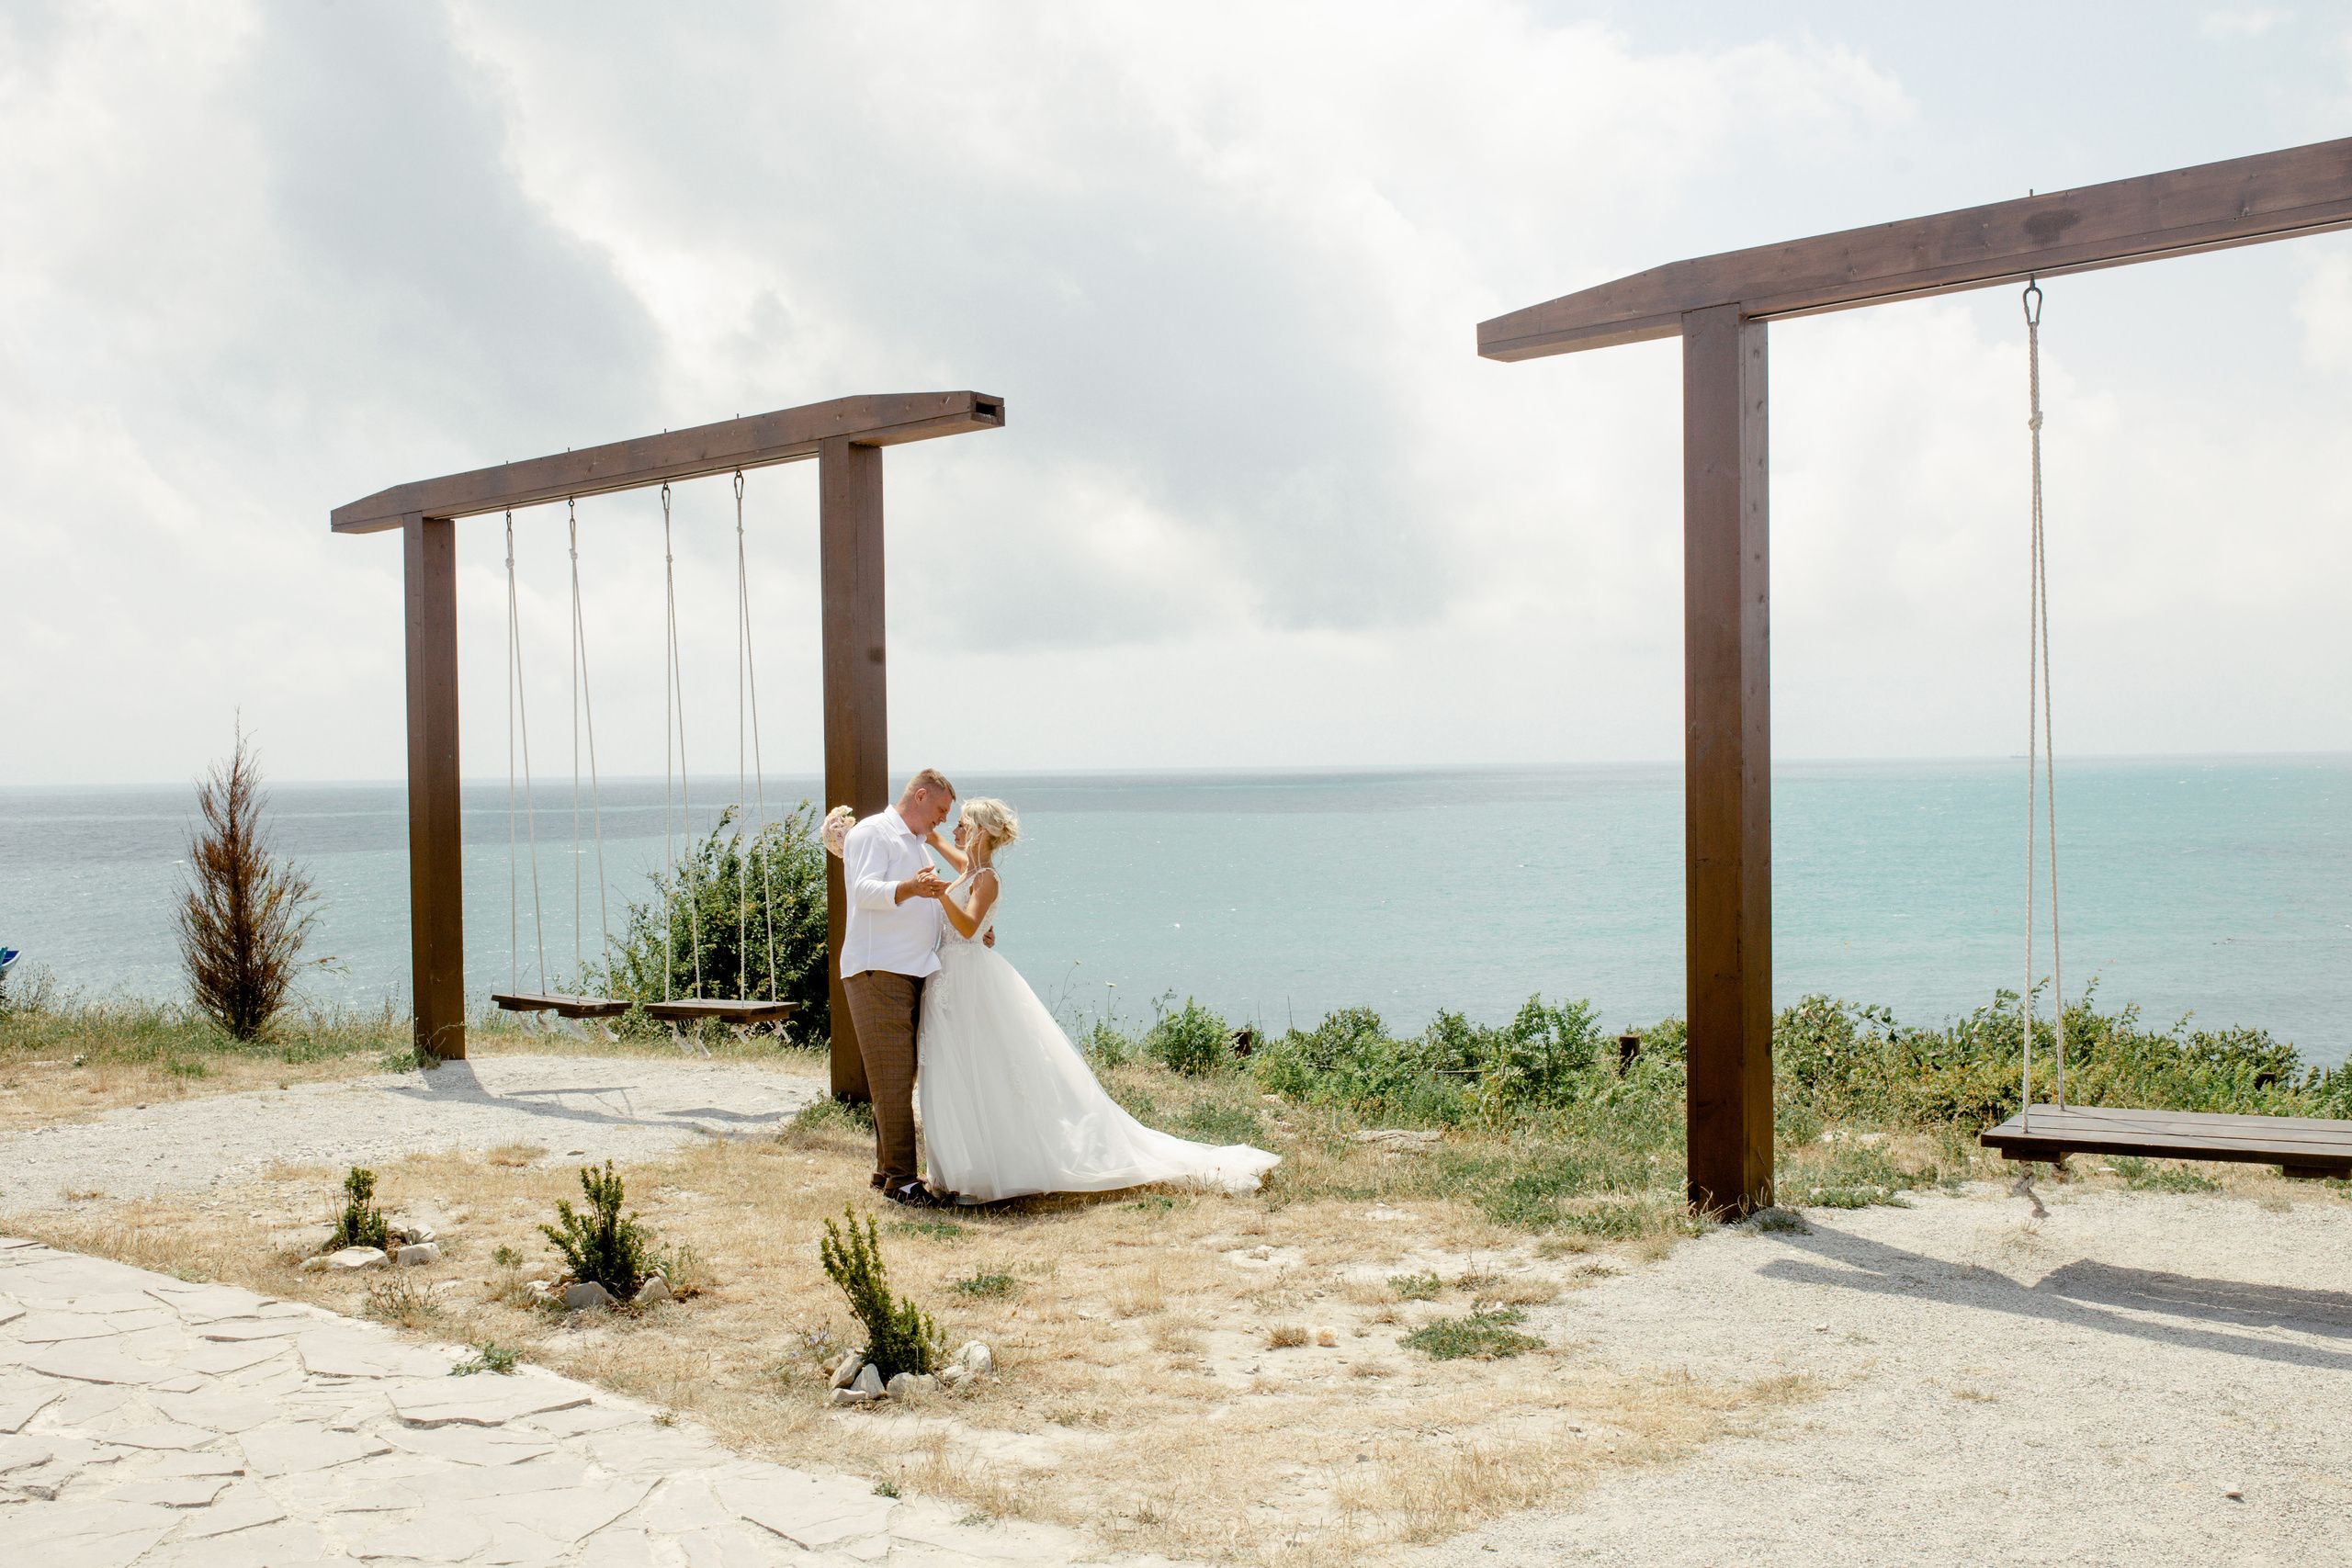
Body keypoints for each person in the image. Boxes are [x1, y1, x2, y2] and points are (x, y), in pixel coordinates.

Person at [916, 796, 1280, 1204]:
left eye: (962, 824)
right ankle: (964, 1166)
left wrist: (938, 894)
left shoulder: (987, 879)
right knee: (962, 1068)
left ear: (980, 831)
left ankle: (989, 1168)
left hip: (968, 979)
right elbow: (957, 869)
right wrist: (927, 837)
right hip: (953, 980)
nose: (955, 831)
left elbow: (967, 929)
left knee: (980, 1067)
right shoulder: (971, 870)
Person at [837, 769, 956, 1207]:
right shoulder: (874, 832)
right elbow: (864, 891)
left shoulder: (914, 841)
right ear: (920, 796)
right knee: (890, 1077)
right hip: (878, 969)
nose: (943, 819)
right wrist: (911, 887)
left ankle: (887, 1170)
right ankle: (904, 1183)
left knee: (898, 1075)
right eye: (941, 809)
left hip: (907, 969)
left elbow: (921, 908)